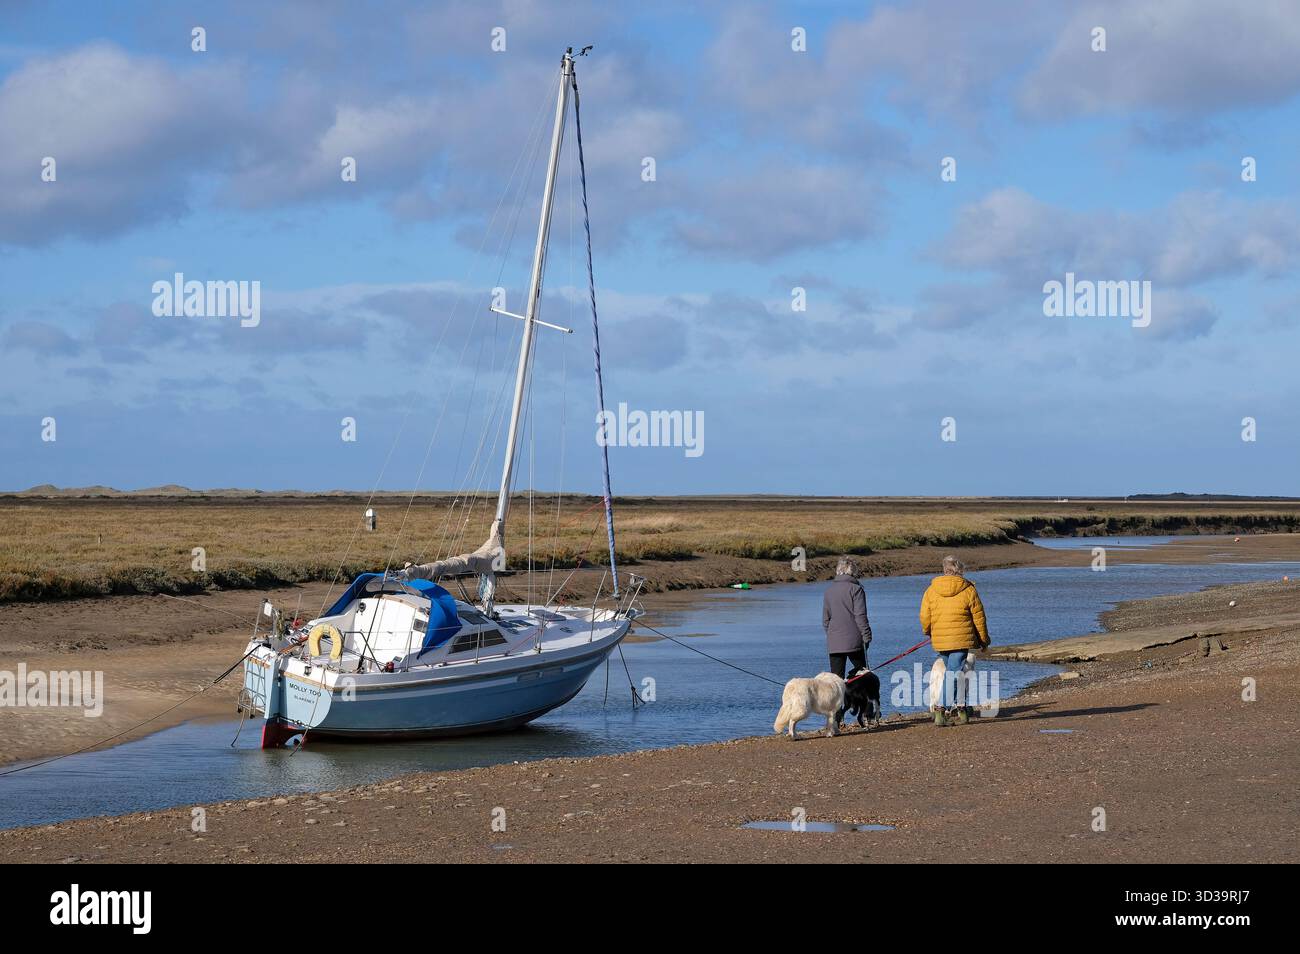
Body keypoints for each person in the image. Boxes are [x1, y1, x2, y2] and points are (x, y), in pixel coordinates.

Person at [920, 555, 989, 726]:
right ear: (959, 570)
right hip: (961, 640)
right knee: (953, 674)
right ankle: (941, 709)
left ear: (944, 570)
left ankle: (962, 709)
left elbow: (924, 616)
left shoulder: (931, 590)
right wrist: (984, 640)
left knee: (953, 673)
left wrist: (929, 632)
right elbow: (979, 617)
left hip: (941, 640)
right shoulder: (969, 589)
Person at [822, 556, 872, 680]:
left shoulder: (829, 591)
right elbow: (860, 616)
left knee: (836, 684)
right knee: (863, 678)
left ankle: (842, 699)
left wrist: (832, 635)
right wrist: (867, 636)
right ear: (853, 571)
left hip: (834, 643)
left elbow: (825, 620)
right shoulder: (856, 589)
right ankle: (858, 698)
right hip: (855, 642)